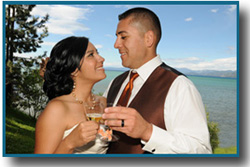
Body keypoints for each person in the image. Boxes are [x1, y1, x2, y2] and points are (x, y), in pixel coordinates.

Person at [102, 7, 212, 154]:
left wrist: (148, 132)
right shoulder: (115, 82)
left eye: (123, 37)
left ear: (148, 39)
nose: (116, 44)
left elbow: (202, 151)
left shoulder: (179, 86)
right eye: (116, 37)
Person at [35, 36, 108, 154]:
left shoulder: (103, 102)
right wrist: (69, 143)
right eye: (91, 55)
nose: (102, 59)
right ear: (73, 69)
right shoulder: (57, 109)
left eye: (97, 53)